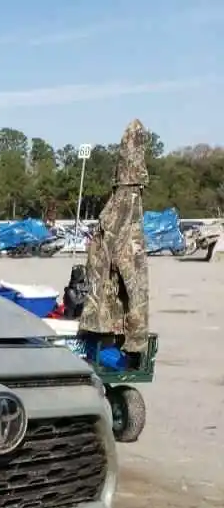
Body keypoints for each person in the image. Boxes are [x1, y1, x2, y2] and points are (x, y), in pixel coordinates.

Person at [79, 120, 151, 356]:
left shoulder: (122, 211)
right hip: (110, 312)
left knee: (131, 279)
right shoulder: (122, 208)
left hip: (109, 317)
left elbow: (131, 276)